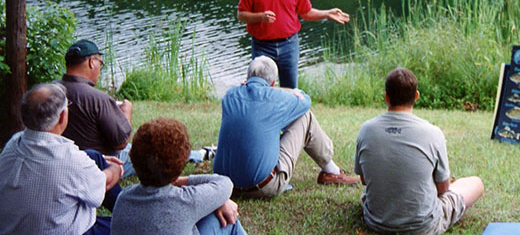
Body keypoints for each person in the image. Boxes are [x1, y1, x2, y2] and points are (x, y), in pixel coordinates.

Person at [354, 67, 484, 234]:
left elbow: (364, 180)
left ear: (386, 96)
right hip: (423, 226)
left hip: (375, 222)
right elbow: (443, 189)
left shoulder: (366, 130)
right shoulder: (433, 133)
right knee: (475, 183)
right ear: (416, 96)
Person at [213, 56, 359, 197]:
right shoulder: (275, 98)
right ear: (273, 83)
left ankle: (331, 171)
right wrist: (282, 90)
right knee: (305, 117)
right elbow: (305, 101)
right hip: (262, 187)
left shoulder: (230, 95)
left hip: (225, 185)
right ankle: (332, 171)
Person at [58, 39, 204, 176]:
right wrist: (126, 112)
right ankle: (200, 155)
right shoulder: (97, 98)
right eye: (100, 63)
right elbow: (121, 142)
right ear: (92, 62)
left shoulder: (47, 91)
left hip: (61, 160)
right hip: (100, 164)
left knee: (139, 147)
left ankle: (197, 155)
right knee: (155, 152)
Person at [0, 83, 124, 235]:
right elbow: (103, 185)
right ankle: (132, 216)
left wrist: (94, 162)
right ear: (63, 116)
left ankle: (127, 210)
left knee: (94, 156)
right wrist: (115, 170)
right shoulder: (70, 161)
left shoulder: (14, 143)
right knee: (130, 227)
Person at [237, 0, 350, 88]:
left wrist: (327, 14)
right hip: (262, 46)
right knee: (259, 88)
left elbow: (306, 12)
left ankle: (290, 111)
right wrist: (260, 17)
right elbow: (241, 15)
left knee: (290, 88)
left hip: (289, 45)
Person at [111, 117, 247, 235]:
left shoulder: (123, 199)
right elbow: (225, 184)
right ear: (180, 165)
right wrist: (180, 181)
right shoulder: (186, 201)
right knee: (229, 222)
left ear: (134, 158)